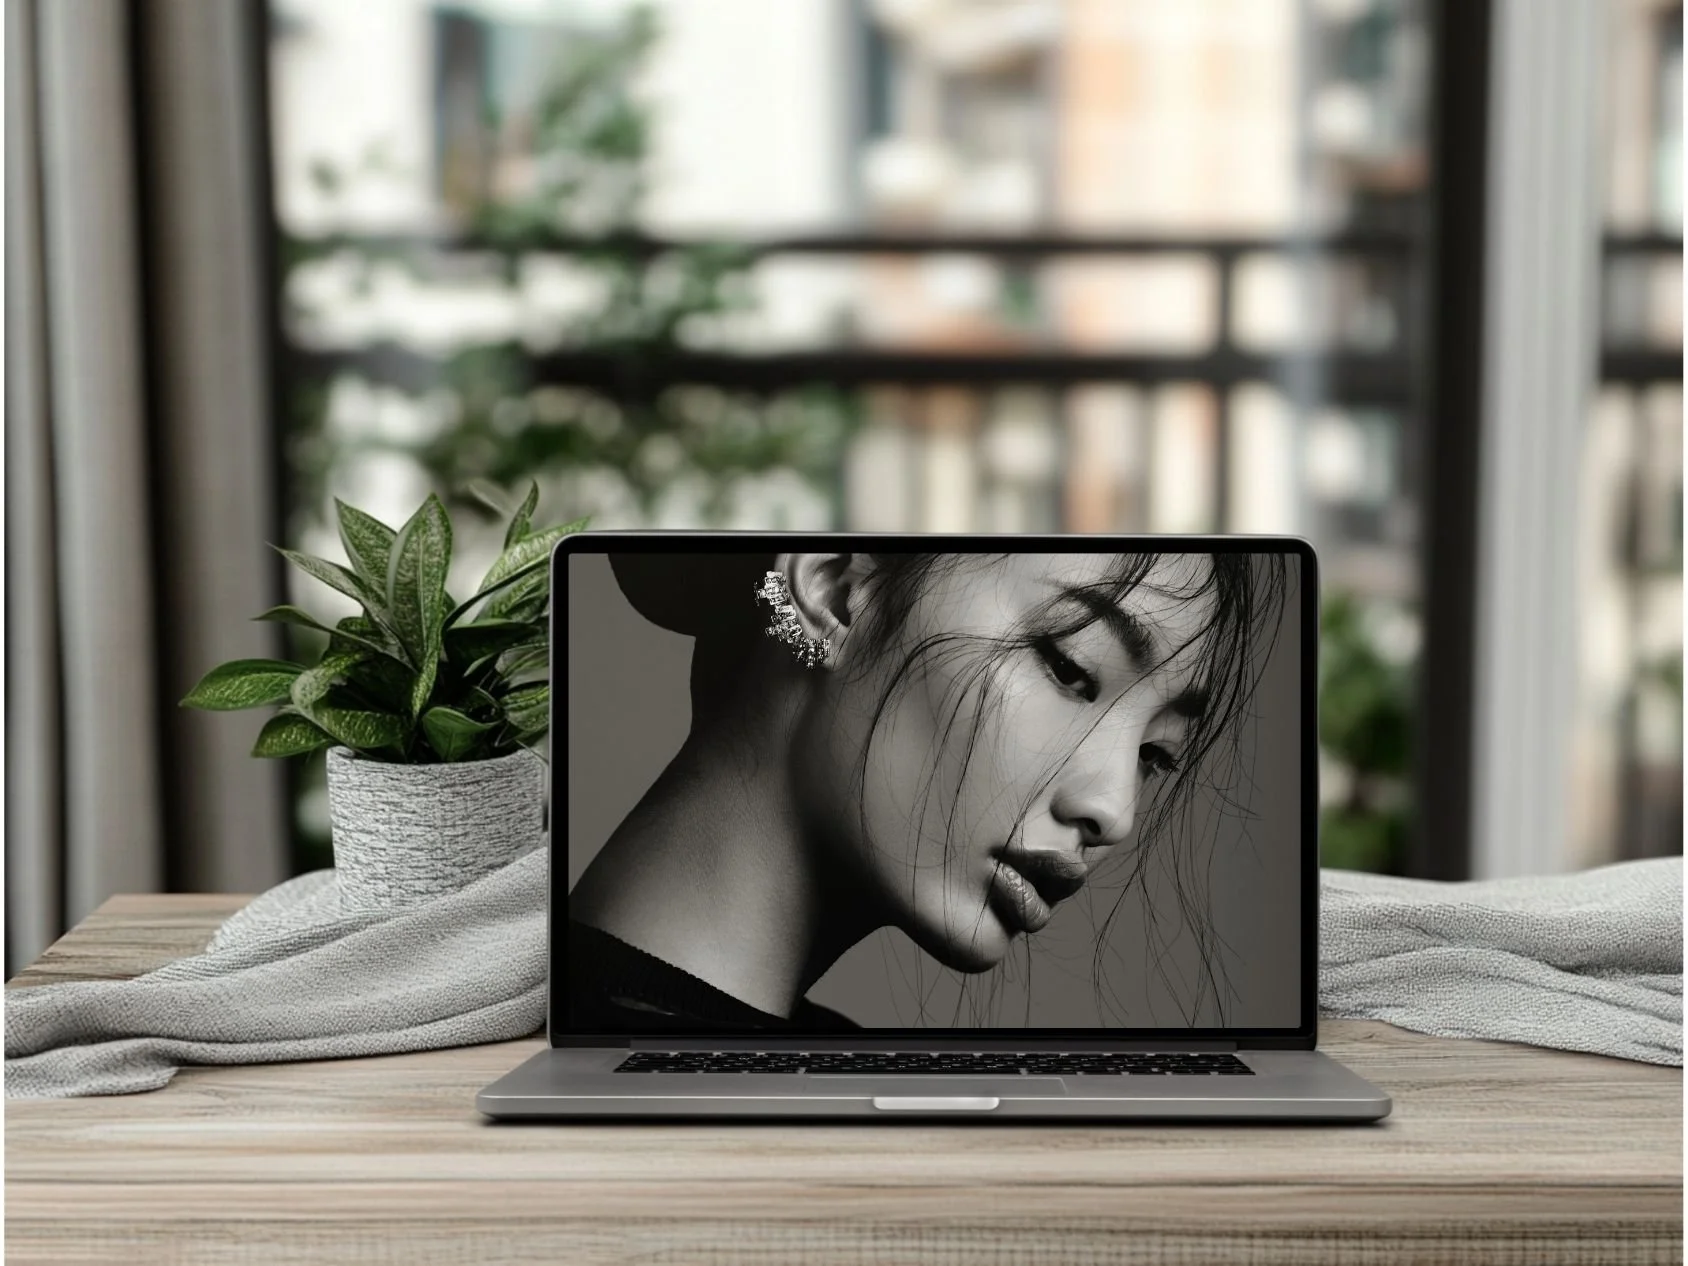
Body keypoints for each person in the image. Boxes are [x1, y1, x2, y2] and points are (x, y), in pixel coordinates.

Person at [568, 550, 1288, 1031]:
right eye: (1070, 668)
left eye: (1156, 755)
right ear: (838, 590)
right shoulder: (608, 1091)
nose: (1113, 810)